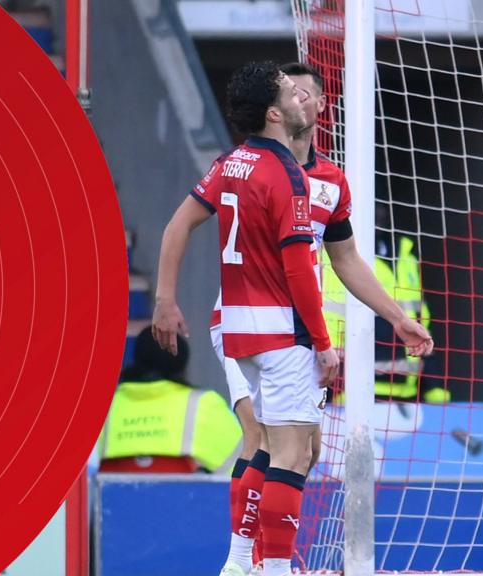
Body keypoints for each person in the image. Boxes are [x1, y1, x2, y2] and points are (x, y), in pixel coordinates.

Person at [151, 61, 432, 576]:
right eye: (290, 90)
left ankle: (248, 562)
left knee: (304, 447)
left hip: (244, 326)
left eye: (307, 91)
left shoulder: (307, 176)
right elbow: (299, 269)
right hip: (276, 326)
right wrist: (321, 342)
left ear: (321, 106)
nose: (300, 96)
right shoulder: (284, 177)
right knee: (277, 444)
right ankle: (253, 563)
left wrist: (395, 317)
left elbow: (345, 260)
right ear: (276, 112)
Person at [321, 201, 449, 403]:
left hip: (405, 391)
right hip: (348, 392)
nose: (378, 213)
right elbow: (328, 320)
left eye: (381, 206)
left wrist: (432, 383)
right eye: (373, 206)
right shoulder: (330, 256)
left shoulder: (405, 254)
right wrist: (335, 387)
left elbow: (420, 318)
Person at [99, 327, 242, 474]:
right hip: (186, 490)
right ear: (182, 365)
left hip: (110, 490)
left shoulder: (101, 409)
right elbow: (241, 467)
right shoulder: (206, 405)